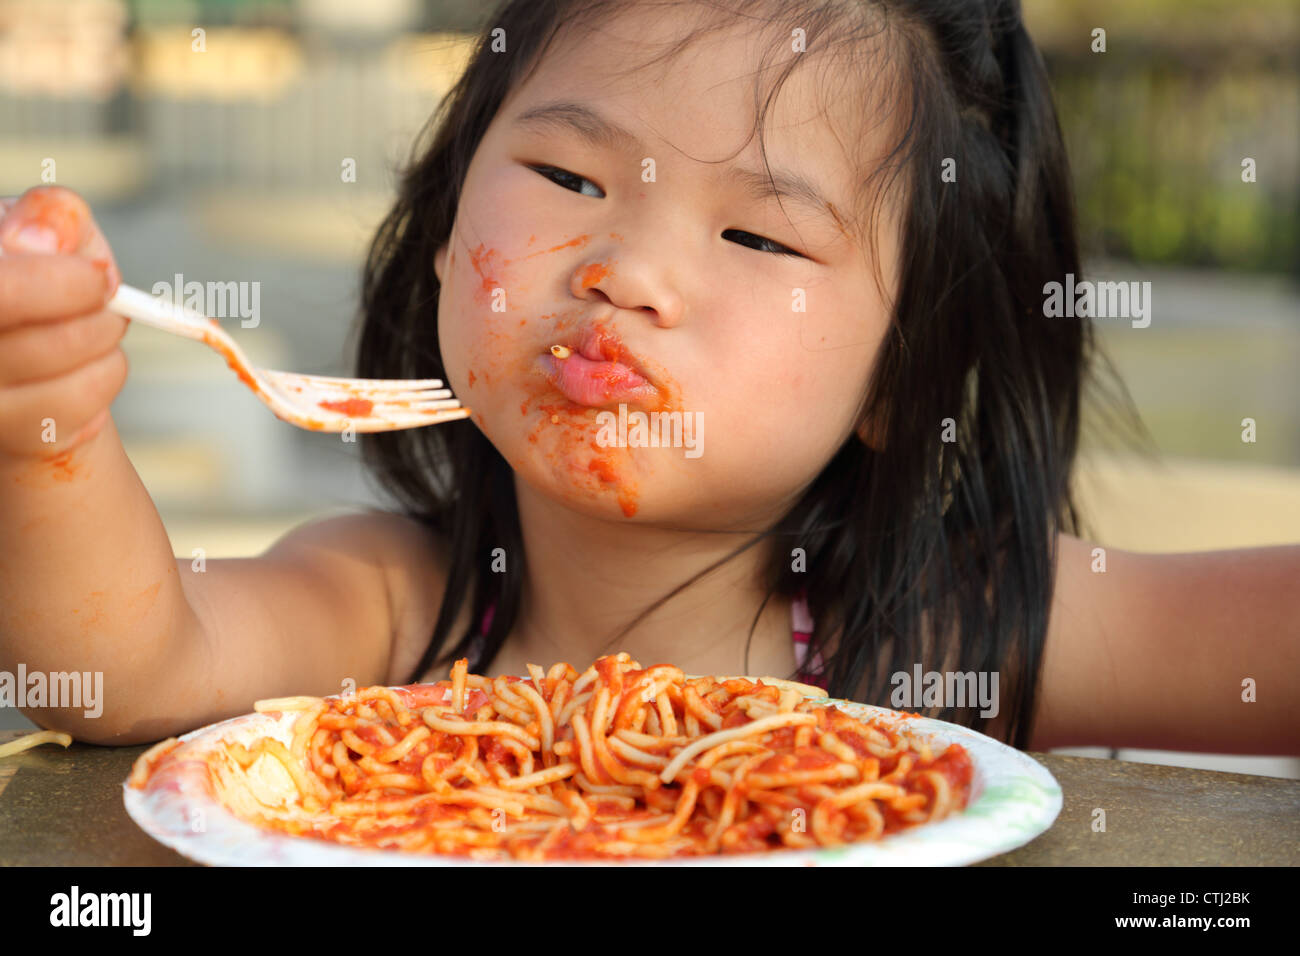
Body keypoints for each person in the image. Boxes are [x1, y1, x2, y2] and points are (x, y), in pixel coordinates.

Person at [1, 0, 1295, 757]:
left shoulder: (941, 634)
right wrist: (44, 425)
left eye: (757, 236)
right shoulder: (397, 605)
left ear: (901, 376)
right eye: (569, 179)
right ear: (449, 227)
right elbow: (129, 668)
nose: (625, 269)